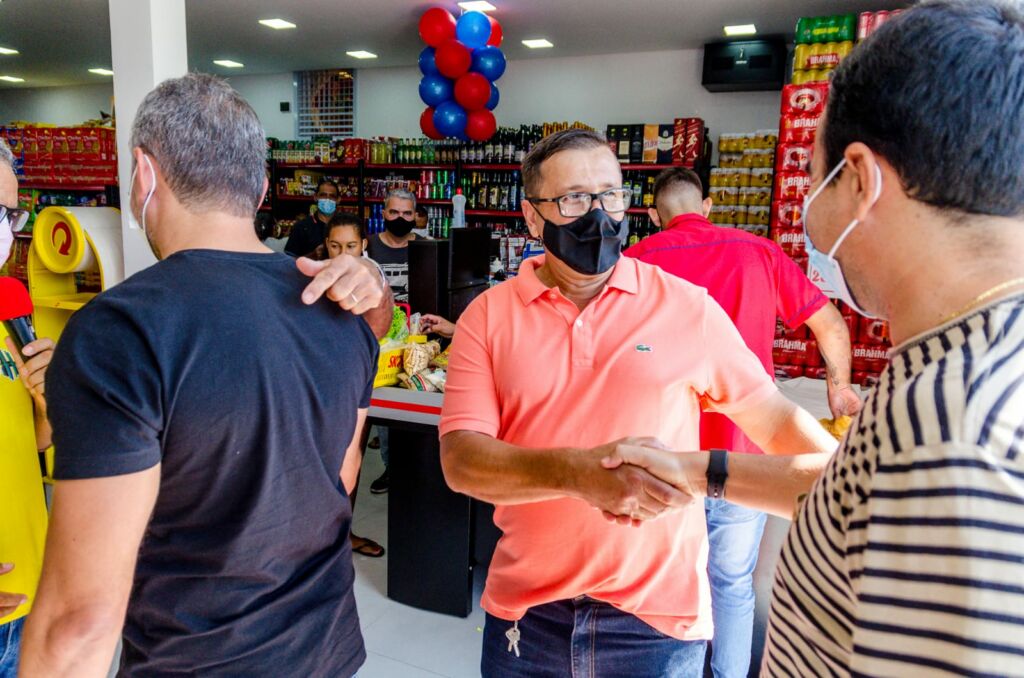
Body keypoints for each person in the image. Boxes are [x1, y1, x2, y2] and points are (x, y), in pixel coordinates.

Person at [602, 2, 1024, 674]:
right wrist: (698, 469)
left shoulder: (954, 427)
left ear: (857, 178)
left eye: (810, 168)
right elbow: (857, 501)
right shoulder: (954, 366)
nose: (806, 204)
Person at [20, 73, 391, 677]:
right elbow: (343, 473)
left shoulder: (118, 331)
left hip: (196, 660)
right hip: (324, 649)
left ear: (144, 173)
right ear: (262, 187)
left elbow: (79, 621)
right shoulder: (341, 309)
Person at [436, 128, 837, 677]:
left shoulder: (686, 308)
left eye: (611, 195)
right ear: (533, 218)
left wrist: (703, 474)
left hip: (657, 626)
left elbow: (785, 432)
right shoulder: (487, 315)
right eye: (575, 198)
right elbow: (462, 461)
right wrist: (580, 474)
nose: (599, 215)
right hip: (525, 617)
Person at [624, 166, 860, 677]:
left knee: (666, 581)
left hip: (665, 456)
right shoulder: (759, 252)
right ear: (706, 206)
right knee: (731, 582)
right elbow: (829, 323)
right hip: (746, 455)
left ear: (652, 215)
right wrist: (838, 387)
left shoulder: (635, 262)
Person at [0, 138, 55, 678]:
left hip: (29, 576)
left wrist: (46, 399)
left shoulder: (10, 301)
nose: (8, 227)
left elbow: (33, 442)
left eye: (12, 212)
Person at [318, 212, 385, 559]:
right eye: (334, 246)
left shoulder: (372, 283)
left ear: (364, 246)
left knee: (351, 464)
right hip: (324, 387)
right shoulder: (314, 283)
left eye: (350, 246)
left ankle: (344, 535)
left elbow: (381, 325)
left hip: (357, 381)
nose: (342, 254)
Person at [365, 189, 420, 494]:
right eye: (394, 213)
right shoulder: (368, 247)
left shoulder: (426, 247)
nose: (401, 219)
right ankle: (392, 469)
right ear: (384, 213)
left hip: (417, 339)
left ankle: (414, 471)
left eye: (407, 213)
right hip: (379, 341)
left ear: (416, 216)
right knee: (387, 413)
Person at [284, 179, 339, 258]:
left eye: (332, 196)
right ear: (315, 197)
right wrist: (312, 256)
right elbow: (288, 262)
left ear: (338, 200)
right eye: (323, 195)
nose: (327, 199)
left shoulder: (346, 226)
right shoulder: (301, 227)